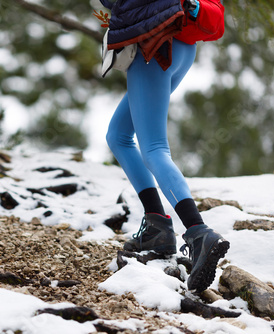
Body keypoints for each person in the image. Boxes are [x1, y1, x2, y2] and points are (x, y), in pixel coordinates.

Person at [105, 0, 229, 292]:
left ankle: (198, 232)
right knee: (119, 135)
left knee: (154, 149)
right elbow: (216, 20)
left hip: (156, 51)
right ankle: (157, 225)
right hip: (182, 50)